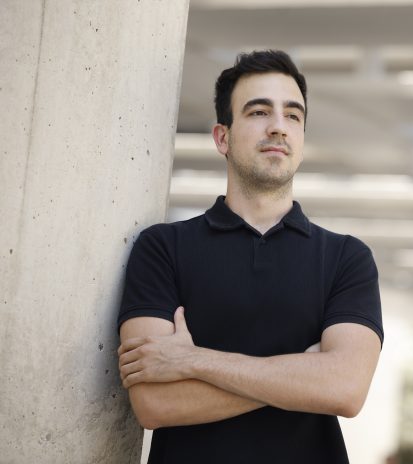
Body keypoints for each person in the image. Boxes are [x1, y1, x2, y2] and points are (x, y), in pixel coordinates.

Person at [117, 50, 383, 463]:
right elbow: (154, 404)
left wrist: (194, 361)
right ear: (222, 137)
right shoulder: (162, 248)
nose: (278, 126)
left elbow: (345, 390)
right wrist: (304, 376)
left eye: (292, 115)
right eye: (259, 112)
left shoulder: (346, 259)